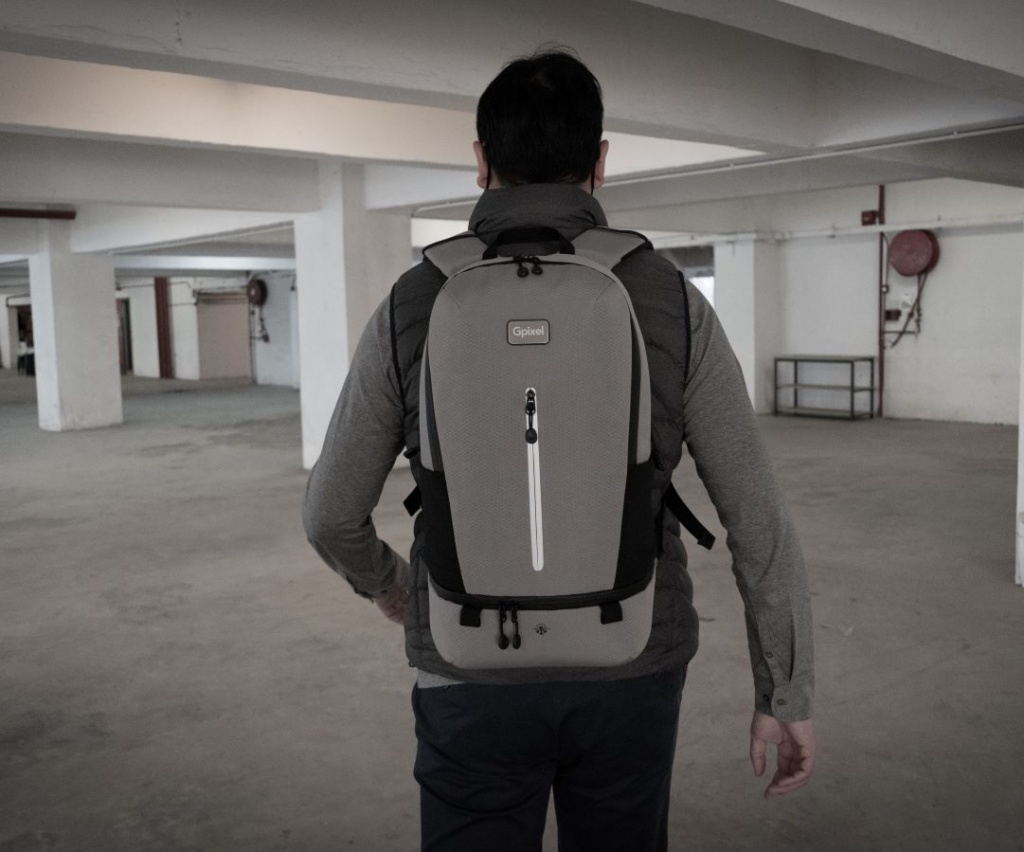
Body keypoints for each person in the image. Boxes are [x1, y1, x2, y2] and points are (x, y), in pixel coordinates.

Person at [303, 48, 815, 852]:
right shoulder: (669, 298)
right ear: (600, 161)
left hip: (466, 665)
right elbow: (757, 519)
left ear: (481, 161)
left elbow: (330, 512)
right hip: (633, 658)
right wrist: (784, 692)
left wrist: (398, 589)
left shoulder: (414, 300)